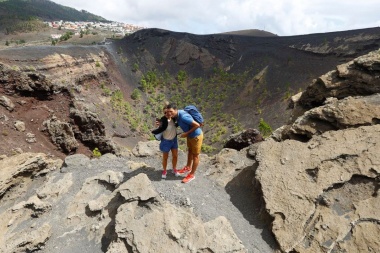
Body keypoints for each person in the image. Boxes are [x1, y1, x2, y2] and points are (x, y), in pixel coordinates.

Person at [165, 103, 203, 184]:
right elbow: (178, 123)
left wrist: (186, 133)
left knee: (195, 155)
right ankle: (188, 167)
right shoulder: (177, 116)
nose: (169, 113)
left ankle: (192, 175)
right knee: (190, 151)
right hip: (190, 136)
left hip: (196, 136)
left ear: (176, 110)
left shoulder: (183, 116)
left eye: (171, 111)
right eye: (168, 112)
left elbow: (197, 125)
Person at [151, 107, 179, 179]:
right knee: (165, 157)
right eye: (165, 113)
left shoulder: (173, 118)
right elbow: (161, 127)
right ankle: (164, 170)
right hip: (166, 141)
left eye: (168, 112)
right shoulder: (163, 120)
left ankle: (174, 169)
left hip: (174, 140)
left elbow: (178, 123)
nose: (167, 114)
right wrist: (155, 129)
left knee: (175, 155)